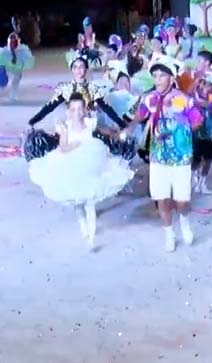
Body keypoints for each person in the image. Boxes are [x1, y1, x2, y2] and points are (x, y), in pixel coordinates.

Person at [27, 93, 134, 251]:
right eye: (73, 109)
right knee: (77, 200)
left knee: (90, 200)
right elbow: (63, 147)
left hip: (91, 162)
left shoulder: (90, 123)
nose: (77, 112)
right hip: (72, 164)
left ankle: (91, 237)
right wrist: (75, 145)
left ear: (85, 110)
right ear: (69, 111)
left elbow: (108, 132)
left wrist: (120, 134)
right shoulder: (66, 127)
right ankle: (83, 226)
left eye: (80, 109)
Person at [134, 59, 204, 252]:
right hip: (158, 157)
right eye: (155, 76)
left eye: (162, 76)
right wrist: (132, 121)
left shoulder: (181, 99)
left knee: (182, 201)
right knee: (162, 199)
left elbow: (197, 121)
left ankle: (185, 222)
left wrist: (181, 129)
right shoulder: (149, 98)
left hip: (180, 157)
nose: (157, 79)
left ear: (171, 78)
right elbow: (140, 115)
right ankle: (169, 234)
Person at [0, 32, 35, 102]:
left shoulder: (21, 51)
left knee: (17, 78)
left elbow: (24, 60)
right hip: (7, 67)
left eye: (14, 42)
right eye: (11, 42)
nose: (12, 43)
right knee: (2, 80)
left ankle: (13, 95)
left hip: (16, 68)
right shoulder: (4, 52)